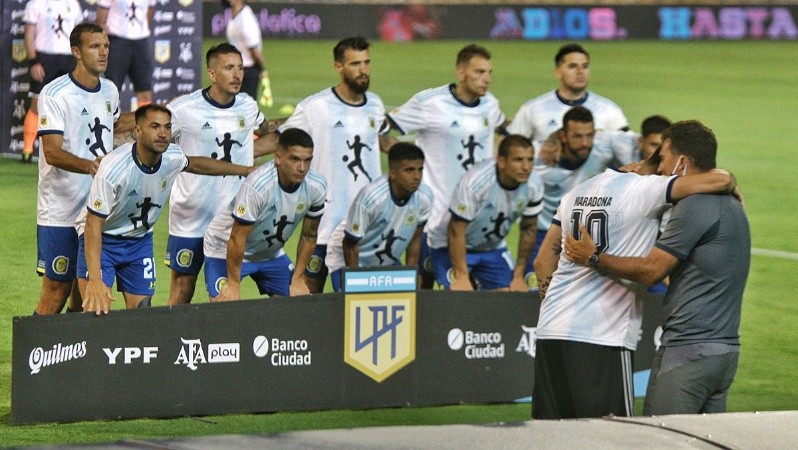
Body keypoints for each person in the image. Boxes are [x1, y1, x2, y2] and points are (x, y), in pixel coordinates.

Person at [532, 150, 738, 419]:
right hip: (602, 337)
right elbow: (718, 180)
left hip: (550, 332)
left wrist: (554, 305)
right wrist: (730, 180)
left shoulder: (577, 191)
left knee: (552, 433)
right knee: (613, 435)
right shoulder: (645, 188)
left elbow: (542, 261)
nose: (665, 172)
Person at [78, 104, 253, 315]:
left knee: (143, 313)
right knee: (95, 311)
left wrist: (244, 170)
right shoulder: (113, 169)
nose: (163, 133)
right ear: (137, 131)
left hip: (139, 242)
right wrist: (95, 279)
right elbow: (92, 224)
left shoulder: (173, 156)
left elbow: (197, 165)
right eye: (154, 127)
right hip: (103, 239)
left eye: (167, 127)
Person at [385, 44, 507, 288]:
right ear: (461, 73)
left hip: (477, 219)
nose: (487, 79)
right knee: (423, 288)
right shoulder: (430, 102)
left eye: (489, 72)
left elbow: (505, 130)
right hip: (434, 217)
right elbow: (382, 127)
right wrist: (406, 161)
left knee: (481, 293)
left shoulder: (490, 104)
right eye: (479, 72)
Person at [164, 42, 275, 306]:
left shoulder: (248, 105)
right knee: (182, 289)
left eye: (240, 68)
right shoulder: (183, 109)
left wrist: (248, 152)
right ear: (212, 73)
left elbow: (269, 134)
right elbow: (158, 143)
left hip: (231, 217)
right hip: (191, 216)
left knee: (224, 295)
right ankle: (171, 334)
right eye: (229, 68)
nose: (237, 75)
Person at [277, 36, 387, 293]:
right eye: (355, 64)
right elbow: (282, 138)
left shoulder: (376, 104)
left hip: (365, 226)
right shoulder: (317, 107)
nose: (363, 70)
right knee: (309, 297)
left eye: (366, 62)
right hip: (324, 223)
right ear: (338, 66)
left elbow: (382, 140)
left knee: (359, 301)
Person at [33, 23, 120, 315]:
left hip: (95, 210)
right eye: (95, 46)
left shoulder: (110, 90)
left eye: (106, 46)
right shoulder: (55, 93)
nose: (103, 52)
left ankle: (74, 346)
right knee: (57, 289)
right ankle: (33, 344)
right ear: (77, 52)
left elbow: (112, 127)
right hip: (60, 210)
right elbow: (51, 152)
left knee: (83, 293)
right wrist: (90, 166)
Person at [204, 128, 327, 300]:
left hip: (269, 253)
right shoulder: (258, 186)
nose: (301, 168)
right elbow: (237, 238)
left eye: (307, 160)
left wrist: (298, 278)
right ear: (278, 158)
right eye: (294, 159)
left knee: (298, 305)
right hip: (224, 247)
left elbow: (309, 235)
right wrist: (233, 284)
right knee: (225, 307)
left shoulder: (316, 186)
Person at [523, 106, 636, 288]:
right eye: (577, 136)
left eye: (589, 135)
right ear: (562, 136)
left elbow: (642, 144)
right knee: (536, 288)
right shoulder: (539, 155)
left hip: (583, 235)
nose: (585, 143)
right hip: (545, 234)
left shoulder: (603, 153)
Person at [427, 135, 543, 291]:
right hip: (448, 246)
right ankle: (433, 264)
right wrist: (461, 276)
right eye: (518, 160)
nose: (526, 167)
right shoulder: (476, 182)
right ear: (501, 162)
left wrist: (518, 275)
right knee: (459, 298)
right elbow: (456, 230)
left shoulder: (534, 185)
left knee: (510, 295)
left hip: (493, 249)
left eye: (530, 160)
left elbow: (529, 228)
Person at [326, 143, 433, 291]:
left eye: (420, 169)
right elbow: (350, 244)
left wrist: (411, 277)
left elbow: (415, 239)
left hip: (386, 260)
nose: (416, 177)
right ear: (393, 173)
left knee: (404, 303)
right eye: (409, 170)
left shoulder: (424, 197)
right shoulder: (372, 198)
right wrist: (355, 283)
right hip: (348, 257)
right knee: (355, 304)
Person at [507, 43, 628, 142]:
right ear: (558, 72)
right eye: (572, 66)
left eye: (585, 66)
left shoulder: (609, 110)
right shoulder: (533, 109)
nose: (580, 71)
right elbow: (509, 146)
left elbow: (628, 147)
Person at [21, 0, 83, 163]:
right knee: (37, 104)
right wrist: (34, 62)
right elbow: (28, 34)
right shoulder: (36, 4)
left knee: (71, 106)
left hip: (69, 58)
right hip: (44, 58)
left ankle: (70, 150)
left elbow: (80, 36)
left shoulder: (73, 4)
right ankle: (27, 150)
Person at [96, 0, 155, 109]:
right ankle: (109, 118)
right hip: (117, 41)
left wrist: (137, 31)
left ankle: (145, 119)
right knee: (111, 90)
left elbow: (150, 9)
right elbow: (101, 15)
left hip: (141, 42)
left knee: (144, 90)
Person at [223, 0, 265, 100]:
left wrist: (261, 68)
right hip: (236, 68)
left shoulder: (245, 19)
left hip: (247, 71)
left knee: (245, 107)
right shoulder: (235, 16)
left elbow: (253, 48)